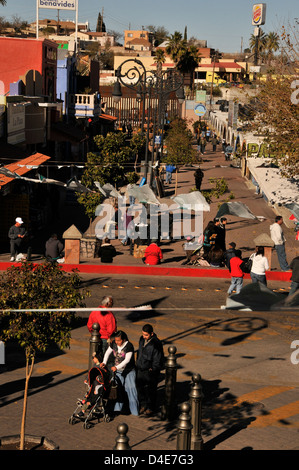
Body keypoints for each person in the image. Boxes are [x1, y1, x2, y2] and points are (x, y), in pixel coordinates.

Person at [100, 330, 139, 416]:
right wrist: (104, 362)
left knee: (131, 389)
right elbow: (107, 353)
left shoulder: (129, 345)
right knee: (117, 389)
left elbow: (127, 360)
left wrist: (116, 367)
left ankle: (134, 411)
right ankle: (117, 409)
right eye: (116, 340)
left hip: (128, 370)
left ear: (124, 339)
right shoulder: (113, 343)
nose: (117, 342)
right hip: (118, 371)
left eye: (119, 340)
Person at [136, 324, 164, 416]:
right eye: (143, 334)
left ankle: (151, 407)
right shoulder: (141, 339)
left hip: (149, 370)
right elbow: (139, 353)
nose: (144, 336)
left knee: (151, 390)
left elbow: (158, 358)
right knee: (140, 388)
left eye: (146, 335)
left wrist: (154, 369)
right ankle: (143, 405)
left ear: (151, 334)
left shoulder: (156, 343)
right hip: (140, 368)